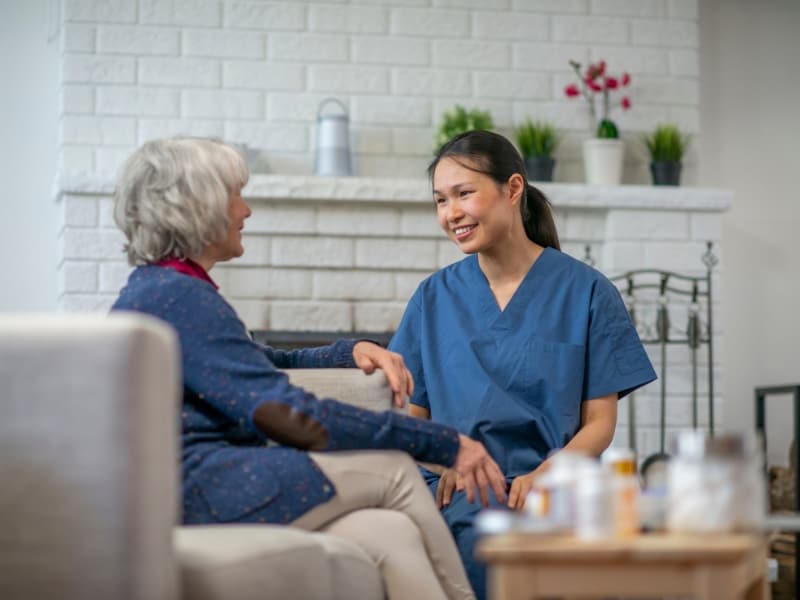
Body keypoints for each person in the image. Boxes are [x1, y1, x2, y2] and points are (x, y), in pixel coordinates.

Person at [110, 136, 508, 600]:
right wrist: (446, 444)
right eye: (236, 195)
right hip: (204, 489)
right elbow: (290, 414)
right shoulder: (180, 297)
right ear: (201, 206)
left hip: (198, 486)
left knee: (386, 534)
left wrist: (348, 350)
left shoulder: (163, 289)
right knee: (396, 470)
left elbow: (267, 364)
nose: (246, 210)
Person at [388, 130, 657, 600]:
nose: (451, 213)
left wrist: (546, 476)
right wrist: (447, 458)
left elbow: (599, 424)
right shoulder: (433, 298)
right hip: (467, 490)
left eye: (464, 194)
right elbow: (412, 422)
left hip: (555, 482)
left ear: (513, 189)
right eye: (440, 201)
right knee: (485, 538)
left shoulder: (589, 293)